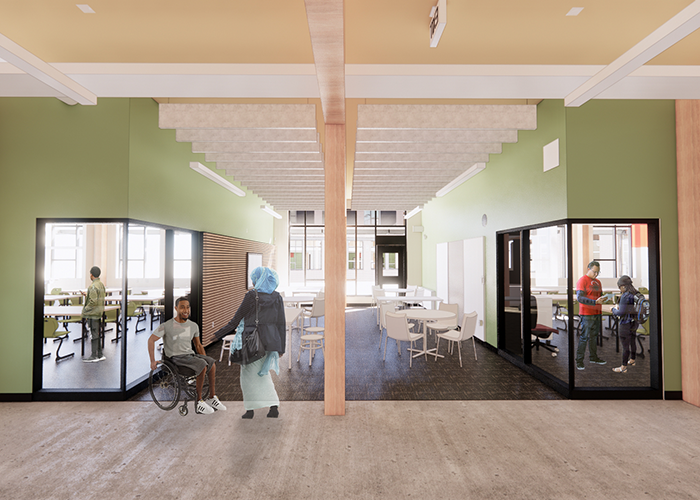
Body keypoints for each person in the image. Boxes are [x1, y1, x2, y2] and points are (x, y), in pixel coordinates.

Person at [216, 267, 286, 419]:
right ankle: (273, 407)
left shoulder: (251, 296)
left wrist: (217, 335)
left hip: (252, 340)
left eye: (253, 278)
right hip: (271, 341)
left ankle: (250, 410)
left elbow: (235, 320)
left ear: (258, 279)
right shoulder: (277, 296)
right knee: (263, 374)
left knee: (248, 376)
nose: (253, 281)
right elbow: (281, 324)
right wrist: (282, 348)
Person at [147, 296, 227, 415]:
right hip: (175, 358)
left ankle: (211, 397)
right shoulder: (167, 325)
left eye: (188, 307)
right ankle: (199, 402)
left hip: (189, 355)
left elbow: (198, 346)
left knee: (211, 362)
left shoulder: (193, 326)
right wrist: (153, 360)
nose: (186, 310)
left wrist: (206, 360)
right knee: (201, 365)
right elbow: (151, 340)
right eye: (182, 307)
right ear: (176, 308)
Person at [575, 261, 607, 370]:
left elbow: (599, 296)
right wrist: (594, 302)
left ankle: (593, 357)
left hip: (597, 313)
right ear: (588, 269)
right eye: (594, 272)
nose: (596, 274)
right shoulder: (582, 280)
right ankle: (579, 361)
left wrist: (604, 298)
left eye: (598, 272)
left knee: (594, 337)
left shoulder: (598, 282)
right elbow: (580, 298)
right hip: (587, 314)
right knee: (584, 337)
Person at [611, 275, 639, 373]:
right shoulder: (636, 293)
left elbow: (620, 313)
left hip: (625, 324)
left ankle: (623, 367)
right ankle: (632, 360)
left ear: (623, 286)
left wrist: (613, 309)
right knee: (632, 341)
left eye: (620, 287)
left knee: (625, 345)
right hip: (634, 322)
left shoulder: (625, 296)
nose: (620, 289)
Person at [82, 266, 107, 363]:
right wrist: (87, 294)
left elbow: (92, 302)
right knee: (96, 333)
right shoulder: (101, 284)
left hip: (93, 313)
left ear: (91, 274)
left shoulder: (92, 286)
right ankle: (100, 354)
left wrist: (85, 310)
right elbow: (97, 297)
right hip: (99, 312)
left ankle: (93, 356)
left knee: (93, 334)